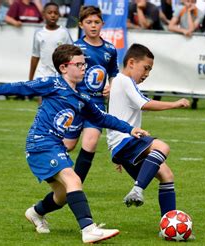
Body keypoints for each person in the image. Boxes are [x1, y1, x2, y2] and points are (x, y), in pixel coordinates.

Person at [0, 44, 149, 243]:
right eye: (79, 64)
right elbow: (21, 86)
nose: (84, 68)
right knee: (74, 180)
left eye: (85, 64)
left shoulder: (81, 97)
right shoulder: (53, 84)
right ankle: (88, 228)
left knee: (63, 194)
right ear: (64, 67)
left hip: (55, 145)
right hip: (40, 144)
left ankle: (36, 212)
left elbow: (102, 118)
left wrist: (130, 129)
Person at [106, 43, 190, 216]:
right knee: (162, 147)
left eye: (150, 70)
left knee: (166, 175)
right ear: (131, 62)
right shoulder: (124, 80)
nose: (147, 74)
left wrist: (119, 154)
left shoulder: (121, 82)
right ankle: (137, 190)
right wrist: (175, 103)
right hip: (125, 141)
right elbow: (144, 104)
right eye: (145, 68)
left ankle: (168, 223)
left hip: (122, 146)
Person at [63, 6, 118, 184]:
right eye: (88, 22)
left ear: (102, 24)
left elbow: (113, 74)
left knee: (91, 143)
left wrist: (111, 87)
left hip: (97, 104)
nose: (93, 26)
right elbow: (67, 74)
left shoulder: (110, 49)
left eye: (96, 22)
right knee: (68, 146)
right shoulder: (76, 48)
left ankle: (75, 184)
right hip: (77, 103)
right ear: (81, 25)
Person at [29, 2, 73, 99]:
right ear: (44, 14)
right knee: (43, 103)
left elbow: (72, 54)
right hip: (43, 74)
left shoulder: (64, 32)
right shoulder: (39, 33)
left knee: (58, 104)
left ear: (59, 15)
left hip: (60, 75)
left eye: (55, 13)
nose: (53, 15)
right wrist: (30, 78)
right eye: (50, 13)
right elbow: (35, 56)